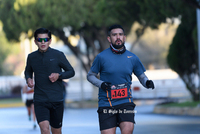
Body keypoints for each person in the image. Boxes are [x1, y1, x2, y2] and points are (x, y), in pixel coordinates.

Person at [87, 24, 155, 134]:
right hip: (107, 103)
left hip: (125, 101)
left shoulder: (132, 57)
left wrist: (147, 82)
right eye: (114, 35)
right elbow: (90, 76)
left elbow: (141, 76)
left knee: (128, 130)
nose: (118, 37)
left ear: (124, 37)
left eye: (120, 35)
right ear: (109, 38)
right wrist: (102, 84)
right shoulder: (101, 57)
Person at [24, 28, 75, 134]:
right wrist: (28, 79)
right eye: (40, 39)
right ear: (35, 41)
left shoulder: (58, 55)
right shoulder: (31, 57)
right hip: (40, 100)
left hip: (56, 99)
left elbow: (71, 71)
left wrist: (59, 75)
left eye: (46, 39)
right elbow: (27, 72)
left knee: (56, 131)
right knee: (44, 129)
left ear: (50, 41)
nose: (43, 42)